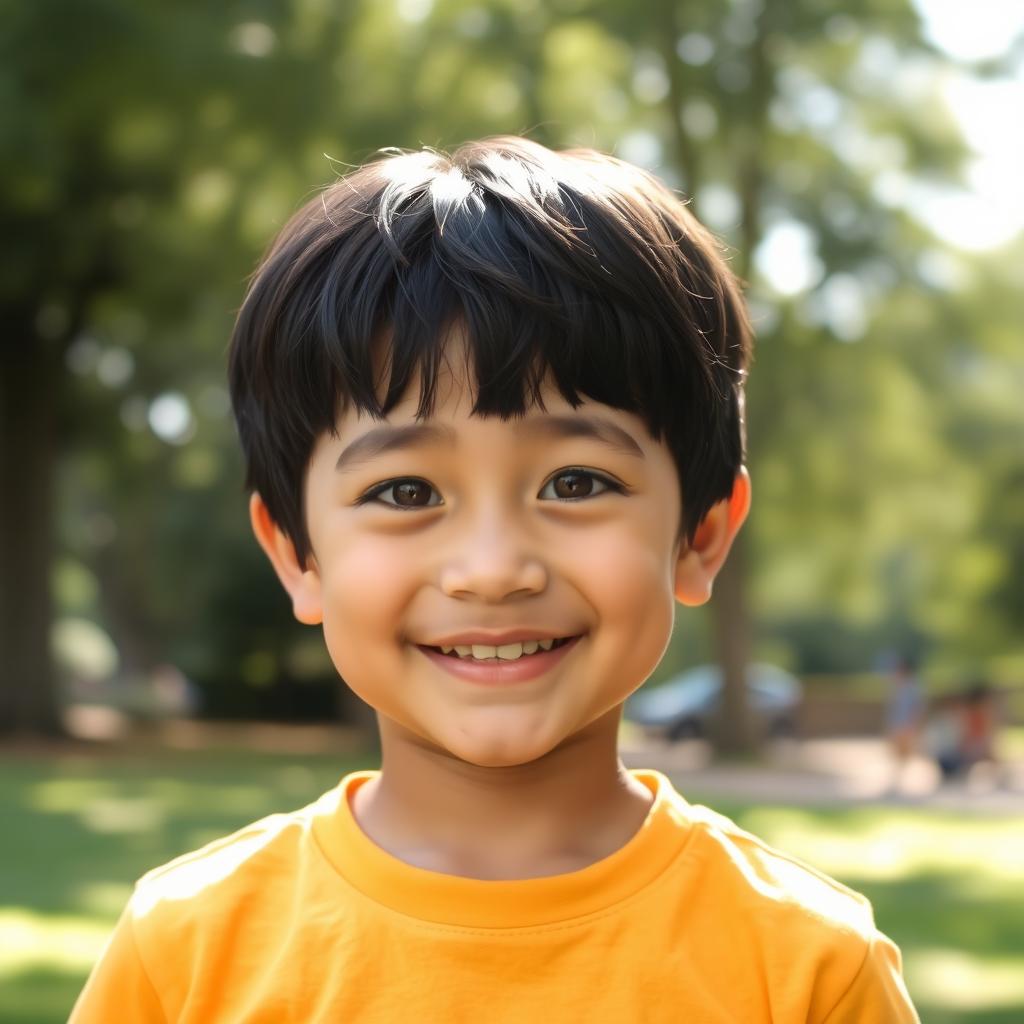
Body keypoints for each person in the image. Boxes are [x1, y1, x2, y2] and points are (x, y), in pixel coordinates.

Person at [70, 137, 919, 1022]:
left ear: (700, 535)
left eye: (576, 483)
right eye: (405, 491)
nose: (492, 570)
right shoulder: (183, 958)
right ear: (296, 554)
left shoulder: (809, 970)